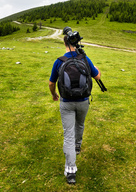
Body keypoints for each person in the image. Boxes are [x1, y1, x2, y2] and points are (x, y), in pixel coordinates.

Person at [49, 35, 101, 184]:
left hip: (66, 102)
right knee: (80, 124)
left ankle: (71, 171)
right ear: (77, 43)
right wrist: (96, 68)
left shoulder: (59, 61)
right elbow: (97, 76)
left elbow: (51, 83)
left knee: (68, 134)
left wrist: (54, 95)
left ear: (65, 43)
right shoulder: (85, 59)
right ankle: (77, 147)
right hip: (83, 101)